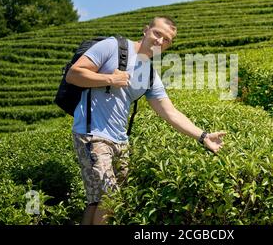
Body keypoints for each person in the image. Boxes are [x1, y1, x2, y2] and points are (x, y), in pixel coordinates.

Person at [65, 16, 226, 225]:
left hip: (120, 141)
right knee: (112, 198)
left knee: (98, 201)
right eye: (157, 33)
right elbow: (74, 74)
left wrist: (203, 136)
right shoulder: (113, 46)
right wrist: (110, 79)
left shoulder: (149, 73)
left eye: (166, 39)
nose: (160, 41)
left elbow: (170, 112)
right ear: (145, 30)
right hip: (92, 134)